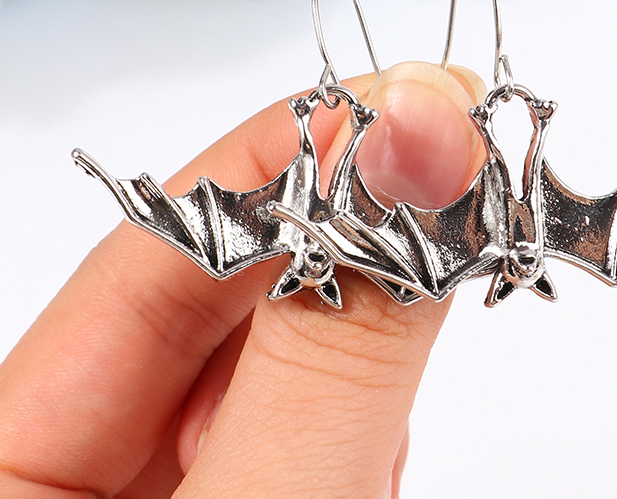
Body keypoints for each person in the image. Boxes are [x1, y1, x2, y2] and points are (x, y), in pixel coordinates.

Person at [0, 61, 488, 498]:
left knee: (301, 181)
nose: (316, 270)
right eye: (314, 271)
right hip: (306, 208)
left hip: (303, 202)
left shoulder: (298, 240)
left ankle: (319, 129)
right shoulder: (323, 245)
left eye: (313, 272)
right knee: (306, 185)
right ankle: (327, 133)